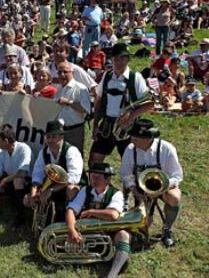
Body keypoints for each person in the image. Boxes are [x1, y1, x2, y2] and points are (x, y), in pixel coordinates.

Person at [120, 119, 183, 247]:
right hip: (140, 188)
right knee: (144, 224)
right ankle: (134, 217)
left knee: (174, 197)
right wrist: (134, 191)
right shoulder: (130, 149)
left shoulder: (167, 149)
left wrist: (162, 188)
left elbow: (177, 176)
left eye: (136, 138)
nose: (132, 140)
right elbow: (126, 174)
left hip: (163, 187)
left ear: (147, 138)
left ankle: (167, 229)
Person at [90, 43, 153, 166]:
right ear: (111, 59)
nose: (119, 61)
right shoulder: (107, 76)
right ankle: (99, 183)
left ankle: (130, 185)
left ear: (128, 59)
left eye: (122, 58)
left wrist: (130, 116)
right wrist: (95, 125)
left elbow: (149, 104)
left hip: (128, 128)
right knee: (94, 160)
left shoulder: (136, 78)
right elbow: (98, 101)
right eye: (115, 58)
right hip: (107, 126)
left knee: (132, 164)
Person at [65, 163, 128, 278]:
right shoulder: (85, 190)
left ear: (107, 179)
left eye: (97, 177)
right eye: (92, 176)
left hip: (108, 235)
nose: (93, 179)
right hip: (86, 234)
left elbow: (113, 215)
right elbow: (71, 210)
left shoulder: (116, 193)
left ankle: (112, 274)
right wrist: (71, 229)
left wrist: (91, 212)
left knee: (123, 235)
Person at [24, 120, 84, 219]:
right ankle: (40, 219)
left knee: (71, 189)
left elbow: (73, 178)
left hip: (72, 186)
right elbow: (37, 174)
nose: (50, 140)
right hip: (53, 186)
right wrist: (34, 192)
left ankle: (71, 218)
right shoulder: (43, 152)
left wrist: (50, 190)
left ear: (61, 137)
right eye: (48, 137)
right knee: (27, 199)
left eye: (53, 137)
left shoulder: (71, 151)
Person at [0, 125, 32, 225]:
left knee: (18, 181)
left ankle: (21, 215)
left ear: (6, 141)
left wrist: (5, 180)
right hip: (10, 181)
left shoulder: (24, 149)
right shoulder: (2, 153)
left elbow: (22, 173)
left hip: (26, 182)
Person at [54, 61, 91, 153]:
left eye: (65, 72)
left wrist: (68, 102)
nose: (62, 75)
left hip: (75, 131)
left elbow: (85, 109)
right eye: (59, 72)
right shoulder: (58, 90)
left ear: (72, 73)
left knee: (75, 158)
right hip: (59, 131)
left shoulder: (80, 88)